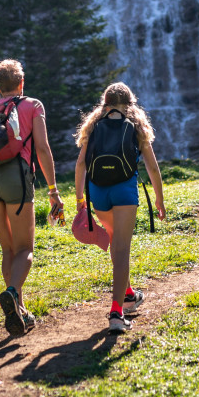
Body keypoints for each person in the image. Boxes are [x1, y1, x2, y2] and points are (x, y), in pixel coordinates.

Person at [0, 59, 64, 336]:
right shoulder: (33, 105)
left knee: (8, 249)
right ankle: (12, 293)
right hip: (15, 180)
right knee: (25, 250)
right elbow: (42, 149)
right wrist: (53, 191)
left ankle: (20, 311)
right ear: (22, 83)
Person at [73, 82, 166, 334]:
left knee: (116, 241)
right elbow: (153, 167)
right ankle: (116, 312)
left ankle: (127, 294)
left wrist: (81, 200)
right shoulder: (135, 125)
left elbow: (81, 164)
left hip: (99, 193)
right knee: (122, 247)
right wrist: (159, 198)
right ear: (130, 104)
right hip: (124, 192)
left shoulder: (93, 126)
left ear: (105, 103)